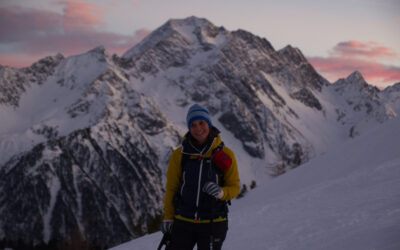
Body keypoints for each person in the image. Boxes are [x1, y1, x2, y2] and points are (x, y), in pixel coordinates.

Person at [161, 104, 240, 250]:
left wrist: (221, 193)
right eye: (193, 125)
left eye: (201, 123)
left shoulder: (226, 155)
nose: (198, 129)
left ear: (209, 124)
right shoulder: (180, 155)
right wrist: (168, 217)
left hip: (214, 222)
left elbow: (235, 187)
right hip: (183, 221)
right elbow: (172, 188)